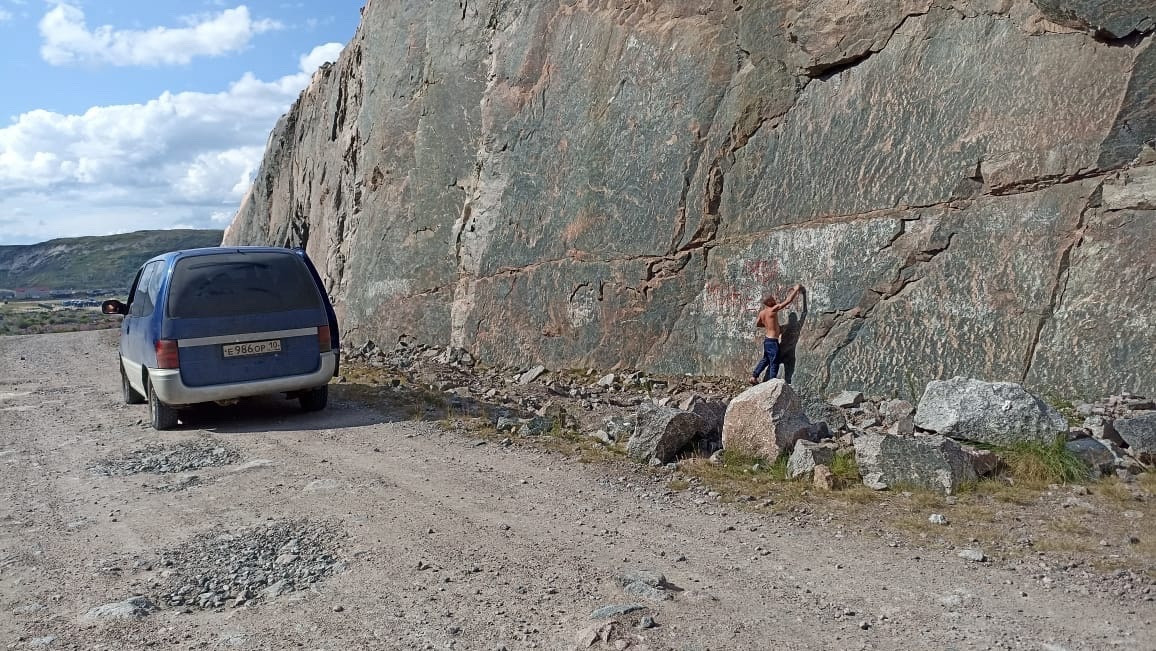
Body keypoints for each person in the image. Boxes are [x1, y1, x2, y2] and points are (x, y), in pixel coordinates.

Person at [750, 284, 804, 385]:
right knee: (774, 362)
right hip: (773, 341)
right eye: (773, 299)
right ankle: (772, 383)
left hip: (767, 341)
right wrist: (796, 290)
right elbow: (788, 301)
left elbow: (758, 324)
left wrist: (771, 326)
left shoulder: (762, 313)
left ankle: (754, 376)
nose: (775, 300)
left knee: (766, 359)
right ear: (769, 302)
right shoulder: (773, 309)